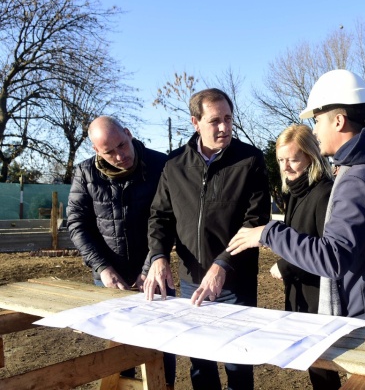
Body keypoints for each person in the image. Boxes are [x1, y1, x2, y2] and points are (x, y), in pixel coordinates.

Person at [227, 69, 365, 326]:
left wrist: (267, 233)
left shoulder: (358, 178)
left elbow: (332, 258)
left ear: (338, 121)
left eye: (317, 121)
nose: (315, 131)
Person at [142, 88, 271, 390]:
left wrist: (223, 264)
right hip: (190, 281)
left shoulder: (249, 160)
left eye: (228, 118)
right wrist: (159, 257)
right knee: (200, 362)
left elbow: (255, 221)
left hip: (234, 280)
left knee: (238, 360)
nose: (225, 127)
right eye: (215, 121)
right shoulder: (174, 164)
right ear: (195, 122)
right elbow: (160, 216)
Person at [66, 116, 175, 386]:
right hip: (108, 272)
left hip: (155, 270)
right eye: (109, 152)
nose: (119, 155)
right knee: (118, 345)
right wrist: (102, 268)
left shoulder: (161, 165)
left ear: (128, 133)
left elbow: (171, 219)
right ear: (96, 151)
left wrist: (151, 266)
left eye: (122, 145)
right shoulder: (85, 173)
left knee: (162, 343)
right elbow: (77, 224)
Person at [271, 124, 340, 389]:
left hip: (318, 295)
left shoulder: (322, 193)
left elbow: (324, 249)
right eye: (281, 160)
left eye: (293, 159)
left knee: (324, 366)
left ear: (311, 156)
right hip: (301, 292)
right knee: (316, 365)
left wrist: (284, 266)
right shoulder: (296, 192)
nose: (285, 166)